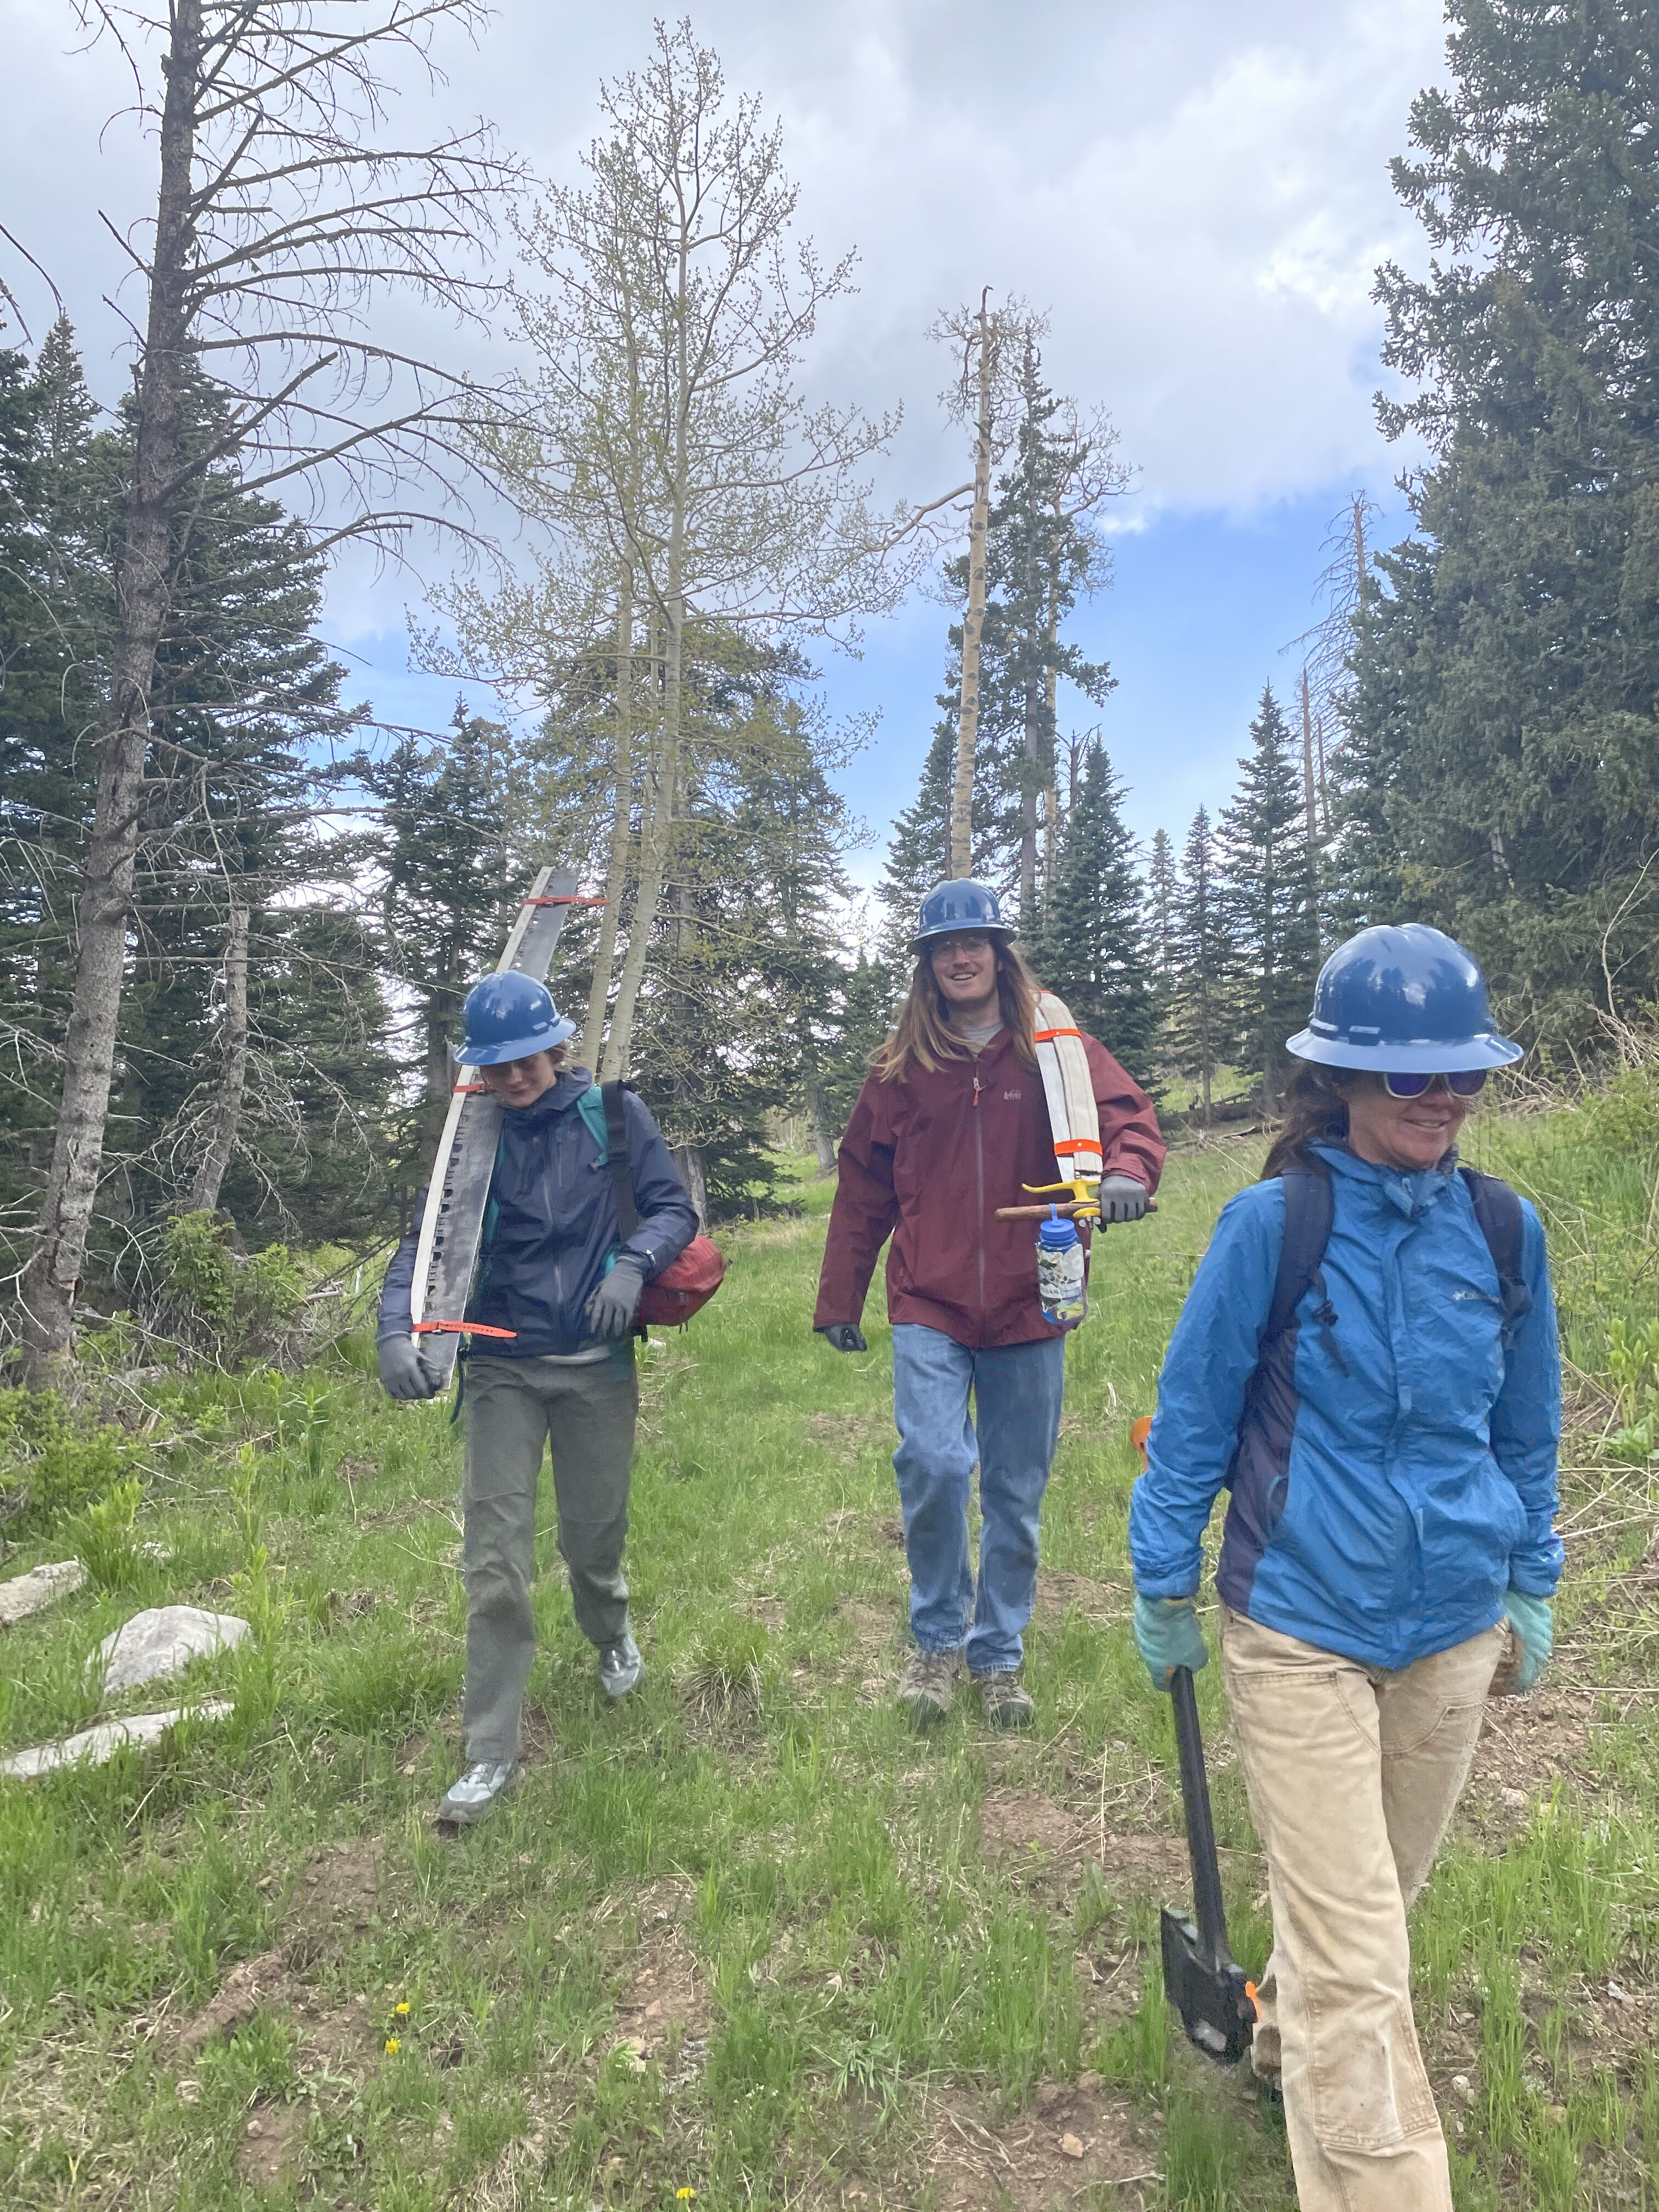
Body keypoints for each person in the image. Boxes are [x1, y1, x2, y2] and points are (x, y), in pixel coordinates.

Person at [1129, 923, 1562, 2212]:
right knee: (1366, 1967)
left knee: (1369, 1913)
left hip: (1453, 1628)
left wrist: (1532, 1576)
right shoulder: (1273, 1225)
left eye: (1463, 1073)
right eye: (1411, 1075)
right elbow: (1194, 1417)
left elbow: (1527, 1427)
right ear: (1344, 1078)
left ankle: (1278, 2046)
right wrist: (1161, 1578)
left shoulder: (1505, 1231)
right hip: (1301, 1626)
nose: (1443, 1099)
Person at [815, 877, 1165, 1728]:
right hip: (928, 1302)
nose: (960, 957)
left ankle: (999, 1653)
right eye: (944, 947)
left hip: (1033, 1299)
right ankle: (936, 1639)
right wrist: (840, 1296)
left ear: (999, 954)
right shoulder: (900, 1071)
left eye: (974, 942)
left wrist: (1127, 1174)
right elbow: (862, 1190)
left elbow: (1130, 1120)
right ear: (927, 966)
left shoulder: (1058, 1053)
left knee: (1015, 1490)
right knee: (935, 1465)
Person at [377, 971, 697, 1829]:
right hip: (502, 1370)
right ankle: (490, 1752)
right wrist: (394, 1331)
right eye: (498, 1066)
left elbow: (674, 1210)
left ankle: (610, 1630)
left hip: (598, 1368)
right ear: (478, 1071)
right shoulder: (470, 1144)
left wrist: (633, 1267)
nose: (515, 1078)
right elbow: (423, 1246)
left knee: (592, 1541)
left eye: (527, 1060)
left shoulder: (614, 1115)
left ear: (555, 1047)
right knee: (495, 1567)